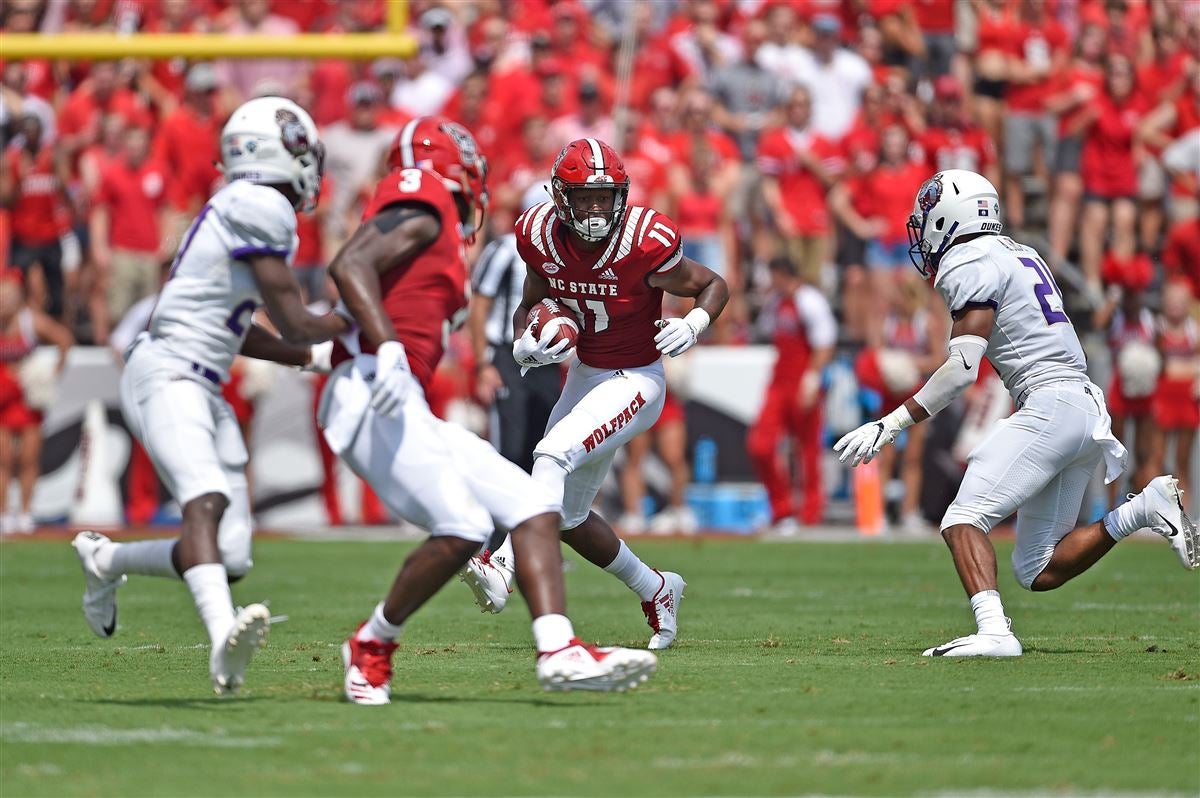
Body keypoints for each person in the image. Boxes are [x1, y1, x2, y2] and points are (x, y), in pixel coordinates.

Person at [322, 119, 658, 705]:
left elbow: (344, 312)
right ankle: (371, 647)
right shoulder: (422, 202)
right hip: (375, 397)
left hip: (396, 400)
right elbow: (349, 269)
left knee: (531, 503)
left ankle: (559, 650)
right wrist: (390, 350)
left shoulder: (435, 236)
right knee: (465, 526)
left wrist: (281, 344)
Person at [835, 169, 1197, 658]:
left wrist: (890, 423)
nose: (922, 226)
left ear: (950, 216)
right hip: (1083, 404)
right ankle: (1141, 509)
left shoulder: (969, 260)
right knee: (1037, 569)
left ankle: (994, 632)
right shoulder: (1018, 252)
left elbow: (963, 368)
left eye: (928, 214)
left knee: (962, 518)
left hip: (1050, 402)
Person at [71, 97, 352, 694]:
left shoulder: (244, 208)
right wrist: (359, 319)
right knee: (204, 500)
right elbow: (296, 319)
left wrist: (311, 355)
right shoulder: (259, 206)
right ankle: (224, 645)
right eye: (302, 149)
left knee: (231, 555)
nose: (311, 164)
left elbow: (238, 326)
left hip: (200, 378)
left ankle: (105, 562)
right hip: (169, 370)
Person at [463, 138, 730, 650]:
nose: (594, 208)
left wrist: (695, 321)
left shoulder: (643, 240)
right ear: (561, 198)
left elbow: (712, 283)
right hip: (586, 371)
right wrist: (527, 341)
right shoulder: (539, 234)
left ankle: (502, 563)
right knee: (567, 517)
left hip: (637, 376)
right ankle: (656, 588)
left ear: (620, 197)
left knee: (550, 455)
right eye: (583, 197)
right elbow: (531, 303)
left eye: (602, 198)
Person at [747, 257, 836, 534]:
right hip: (779, 382)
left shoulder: (810, 301)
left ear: (784, 274)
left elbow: (824, 342)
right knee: (760, 445)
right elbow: (765, 331)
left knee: (806, 450)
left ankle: (809, 513)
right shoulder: (775, 303)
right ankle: (782, 509)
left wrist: (812, 378)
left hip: (802, 381)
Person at [0, 271, 73, 534]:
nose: (4, 303)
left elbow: (64, 339)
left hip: (27, 400)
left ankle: (26, 512)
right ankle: (4, 513)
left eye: (8, 297)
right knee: (4, 458)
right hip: (2, 400)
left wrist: (52, 373)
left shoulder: (31, 322)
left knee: (29, 458)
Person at [1151, 281, 1198, 501]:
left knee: (1182, 459)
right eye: (1171, 301)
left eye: (1181, 301)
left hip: (1187, 399)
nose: (1176, 306)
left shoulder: (1194, 329)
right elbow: (1158, 366)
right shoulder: (1157, 328)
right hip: (1163, 397)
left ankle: (1185, 515)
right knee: (1157, 458)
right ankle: (1153, 514)